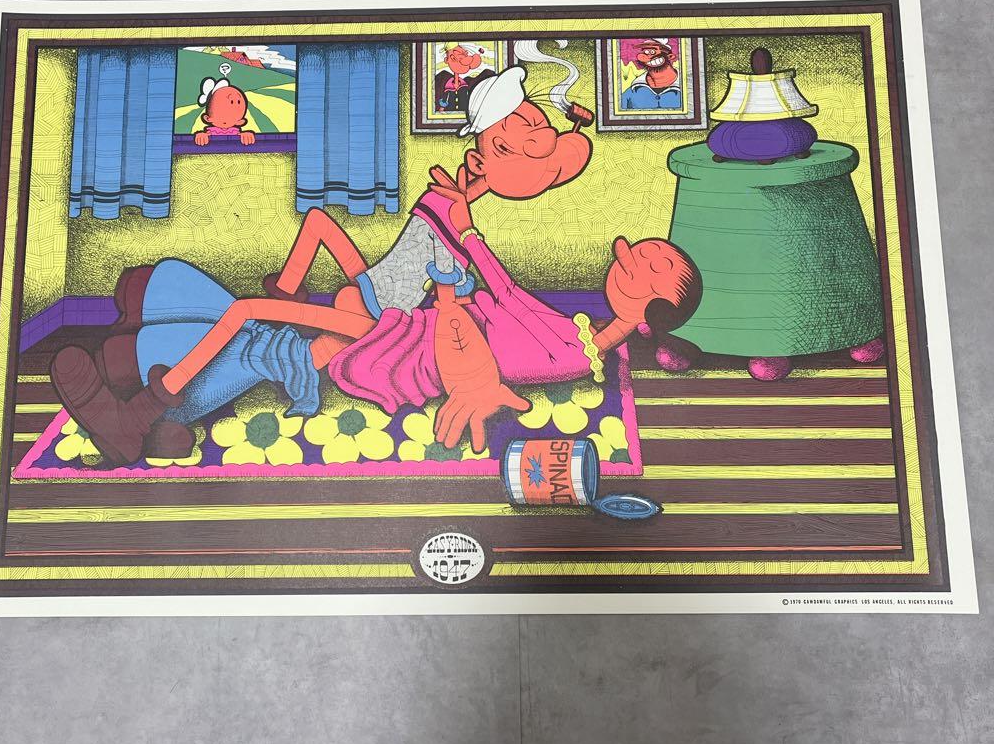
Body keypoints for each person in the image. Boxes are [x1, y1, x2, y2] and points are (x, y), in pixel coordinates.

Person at [51, 67, 700, 465]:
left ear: (648, 311)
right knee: (269, 297)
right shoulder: (571, 333)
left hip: (387, 329)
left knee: (250, 321)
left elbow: (500, 300)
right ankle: (155, 375)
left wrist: (466, 239)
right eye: (649, 249)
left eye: (651, 263)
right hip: (387, 306)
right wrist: (466, 218)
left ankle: (143, 412)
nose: (632, 250)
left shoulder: (569, 347)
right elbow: (497, 294)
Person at [620, 38, 682, 109]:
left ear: (670, 56)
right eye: (645, 52)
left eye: (652, 51)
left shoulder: (686, 87)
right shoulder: (632, 91)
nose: (647, 57)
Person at [433, 43, 491, 113]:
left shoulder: (464, 86)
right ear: (446, 60)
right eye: (454, 58)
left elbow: (467, 98)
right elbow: (445, 98)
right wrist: (442, 107)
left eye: (463, 55)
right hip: (450, 113)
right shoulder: (448, 86)